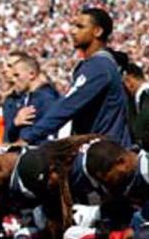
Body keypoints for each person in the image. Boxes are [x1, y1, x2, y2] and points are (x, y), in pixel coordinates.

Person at [18, 8, 130, 145]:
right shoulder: (96, 64)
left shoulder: (99, 67)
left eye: (80, 27)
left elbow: (68, 106)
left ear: (98, 32)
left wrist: (28, 137)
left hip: (105, 153)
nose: (73, 31)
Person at [7, 55, 59, 142]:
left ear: (32, 74)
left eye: (17, 75)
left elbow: (52, 133)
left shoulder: (47, 98)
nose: (14, 80)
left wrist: (26, 139)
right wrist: (15, 124)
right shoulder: (27, 98)